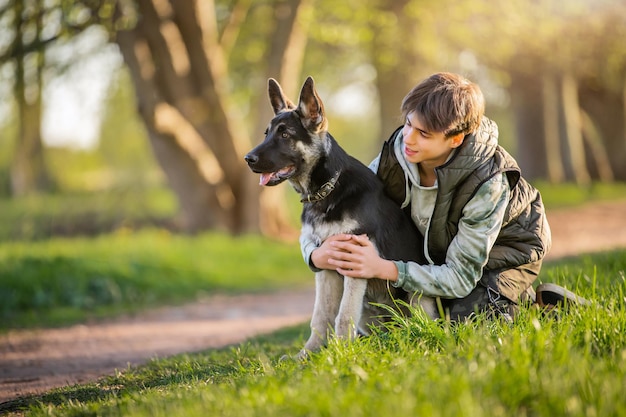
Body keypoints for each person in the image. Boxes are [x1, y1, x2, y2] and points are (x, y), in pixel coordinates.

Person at [301, 72, 570, 321]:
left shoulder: (488, 183)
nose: (408, 138)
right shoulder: (393, 158)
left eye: (424, 134)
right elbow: (330, 215)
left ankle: (543, 305)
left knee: (467, 323)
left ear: (455, 139)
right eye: (408, 124)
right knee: (403, 321)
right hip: (440, 255)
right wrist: (315, 255)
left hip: (501, 255)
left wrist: (386, 269)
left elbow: (461, 276)